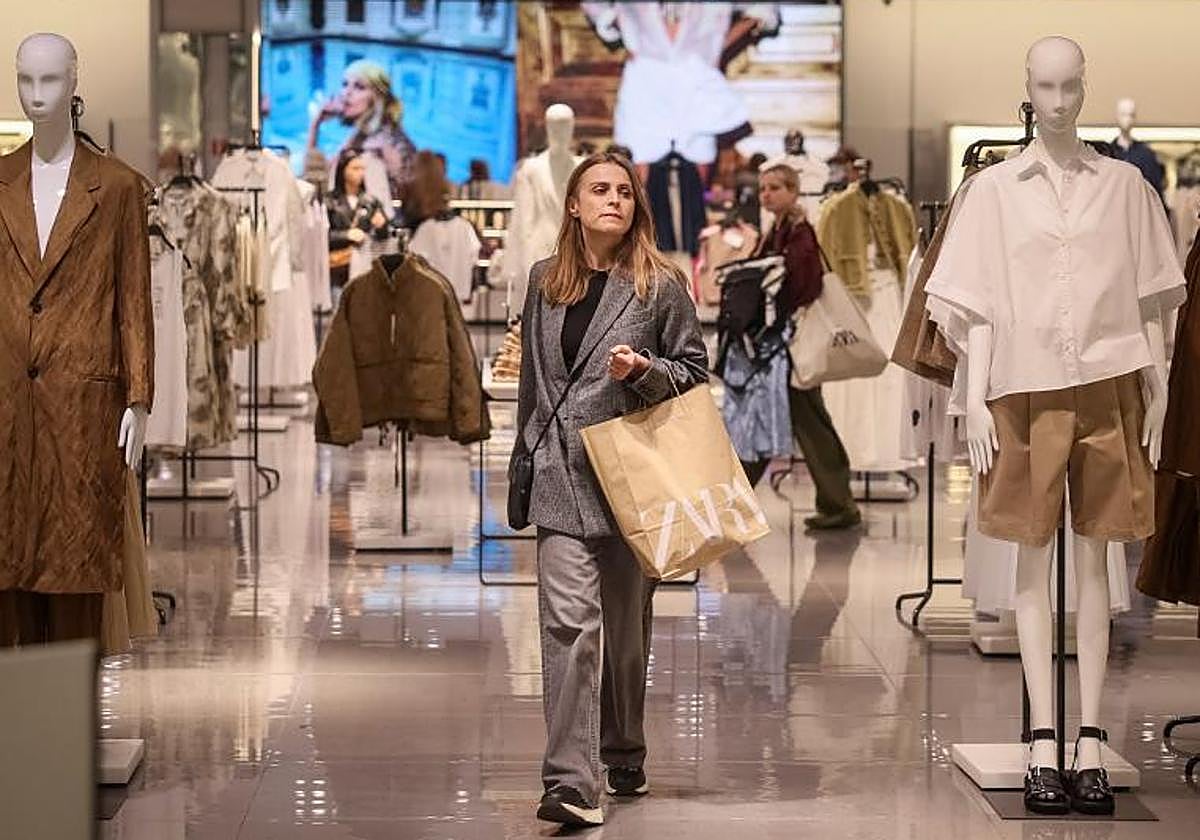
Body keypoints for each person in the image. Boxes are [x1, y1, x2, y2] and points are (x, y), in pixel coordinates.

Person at [512, 152, 709, 827]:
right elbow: (535, 388)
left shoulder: (660, 285)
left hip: (632, 480)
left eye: (624, 192)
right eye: (599, 190)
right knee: (570, 628)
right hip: (560, 482)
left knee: (623, 632)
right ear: (573, 205)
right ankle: (571, 780)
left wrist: (646, 369)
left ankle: (622, 747)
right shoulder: (543, 281)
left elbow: (695, 373)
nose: (613, 200)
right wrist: (522, 463)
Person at [755, 163, 861, 530]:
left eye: (774, 188)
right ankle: (836, 501)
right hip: (783, 341)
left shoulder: (799, 233)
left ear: (793, 191)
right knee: (803, 418)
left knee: (809, 419)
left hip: (795, 340)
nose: (766, 194)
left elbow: (806, 284)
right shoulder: (779, 230)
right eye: (763, 188)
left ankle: (839, 503)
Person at [306, 59, 416, 204]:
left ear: (377, 96)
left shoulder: (383, 142)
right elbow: (319, 175)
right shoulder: (362, 134)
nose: (347, 93)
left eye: (359, 87)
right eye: (345, 84)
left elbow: (323, 180)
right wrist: (316, 123)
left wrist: (315, 124)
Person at [326, 149, 391, 287]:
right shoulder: (330, 201)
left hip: (364, 265)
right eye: (355, 168)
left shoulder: (371, 201)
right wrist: (346, 235)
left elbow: (383, 237)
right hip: (338, 267)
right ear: (343, 170)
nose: (360, 173)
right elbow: (322, 236)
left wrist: (382, 226)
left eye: (362, 169)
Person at [402, 149, 452, 232]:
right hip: (438, 230)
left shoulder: (408, 187)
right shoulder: (445, 186)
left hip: (416, 230)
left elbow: (405, 213)